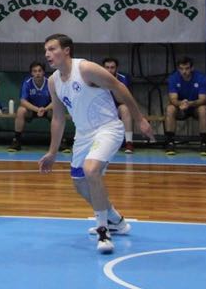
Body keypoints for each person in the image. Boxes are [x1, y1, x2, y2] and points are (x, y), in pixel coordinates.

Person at [38, 33, 153, 255]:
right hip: (83, 135)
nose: (47, 54)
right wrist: (52, 152)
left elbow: (119, 87)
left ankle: (103, 231)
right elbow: (58, 118)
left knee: (91, 170)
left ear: (66, 51)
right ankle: (115, 220)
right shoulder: (53, 82)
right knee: (80, 184)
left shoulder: (85, 69)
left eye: (52, 49)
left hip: (108, 127)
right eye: (45, 50)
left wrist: (139, 119)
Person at [164, 57, 206, 156]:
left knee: (203, 109)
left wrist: (190, 103)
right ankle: (170, 142)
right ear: (178, 69)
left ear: (192, 68)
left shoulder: (201, 78)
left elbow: (203, 99)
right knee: (170, 109)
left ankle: (204, 143)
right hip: (181, 108)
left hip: (195, 107)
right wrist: (181, 104)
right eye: (181, 69)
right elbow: (173, 99)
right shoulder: (173, 78)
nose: (184, 71)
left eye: (187, 68)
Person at [8, 61, 53, 152]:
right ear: (31, 73)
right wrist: (37, 109)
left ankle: (60, 141)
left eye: (39, 71)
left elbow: (56, 101)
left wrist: (45, 109)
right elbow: (23, 101)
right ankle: (16, 140)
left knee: (57, 111)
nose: (37, 73)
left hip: (46, 109)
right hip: (32, 110)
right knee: (21, 110)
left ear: (43, 72)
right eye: (35, 71)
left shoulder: (50, 83)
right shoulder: (27, 82)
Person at [102, 58, 134, 154]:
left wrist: (114, 86)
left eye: (112, 67)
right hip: (103, 108)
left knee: (125, 109)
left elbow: (125, 100)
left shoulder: (123, 79)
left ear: (116, 68)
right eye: (107, 67)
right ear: (103, 68)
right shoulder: (98, 78)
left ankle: (129, 142)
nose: (109, 70)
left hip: (117, 107)